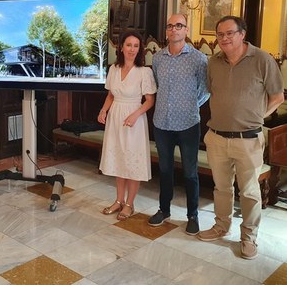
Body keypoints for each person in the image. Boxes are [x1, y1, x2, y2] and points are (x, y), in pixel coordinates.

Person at [198, 16, 284, 260]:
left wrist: (257, 116)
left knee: (249, 191)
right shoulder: (213, 62)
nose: (224, 38)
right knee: (221, 188)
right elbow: (211, 92)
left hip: (248, 140)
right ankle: (221, 226)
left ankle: (248, 237)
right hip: (216, 137)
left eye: (230, 33)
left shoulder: (262, 60)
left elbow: (277, 97)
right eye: (220, 34)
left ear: (242, 34)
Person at [148, 13, 209, 235]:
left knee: (190, 172)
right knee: (164, 170)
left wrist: (190, 106)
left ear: (186, 30)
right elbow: (156, 85)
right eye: (170, 26)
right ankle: (164, 210)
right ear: (166, 31)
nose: (174, 29)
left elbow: (205, 90)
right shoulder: (157, 59)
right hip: (162, 123)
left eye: (179, 25)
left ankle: (193, 215)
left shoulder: (198, 59)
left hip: (188, 125)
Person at [98, 32, 156, 220]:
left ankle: (129, 204)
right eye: (129, 45)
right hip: (115, 116)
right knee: (119, 160)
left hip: (134, 119)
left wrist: (135, 115)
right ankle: (118, 200)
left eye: (136, 46)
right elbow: (111, 95)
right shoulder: (114, 69)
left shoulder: (144, 71)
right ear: (121, 47)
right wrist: (103, 111)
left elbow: (149, 100)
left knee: (132, 162)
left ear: (140, 49)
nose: (132, 49)